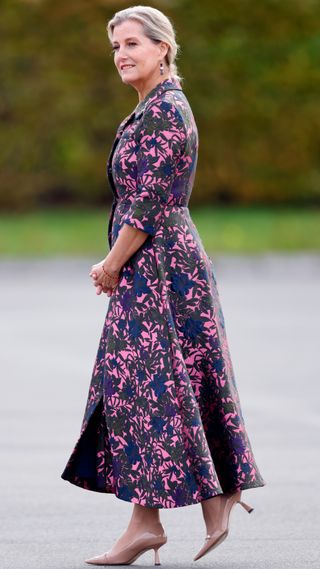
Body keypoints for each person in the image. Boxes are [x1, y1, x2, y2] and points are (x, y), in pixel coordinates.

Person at [60, 5, 267, 566]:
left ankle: (175, 511)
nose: (122, 55)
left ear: (162, 48)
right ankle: (159, 517)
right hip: (153, 271)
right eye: (115, 47)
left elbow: (150, 203)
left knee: (148, 389)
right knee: (152, 388)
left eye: (132, 43)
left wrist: (110, 264)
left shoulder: (166, 110)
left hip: (163, 273)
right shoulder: (151, 107)